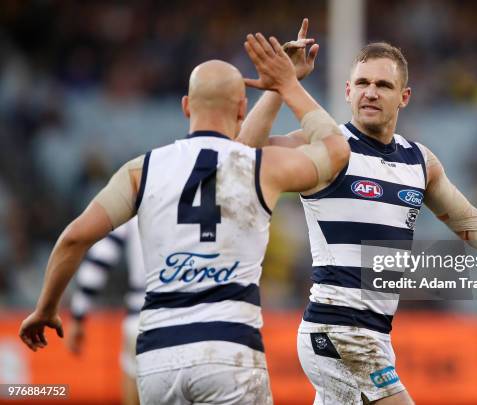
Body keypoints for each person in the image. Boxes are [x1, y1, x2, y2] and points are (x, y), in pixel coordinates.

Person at [238, 38, 477, 404]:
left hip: (375, 335)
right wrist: (279, 85)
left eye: (383, 85)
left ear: (404, 96)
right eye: (363, 84)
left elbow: (472, 224)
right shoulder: (325, 147)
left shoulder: (419, 161)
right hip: (339, 331)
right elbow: (242, 154)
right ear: (348, 92)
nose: (371, 93)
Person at [18, 32, 350, 405]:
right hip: (230, 352)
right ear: (241, 109)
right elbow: (337, 152)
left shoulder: (140, 171)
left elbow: (74, 238)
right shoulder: (260, 168)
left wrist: (45, 308)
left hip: (159, 355)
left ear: (186, 106)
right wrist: (286, 86)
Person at [67, 217, 144, 405]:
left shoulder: (137, 195)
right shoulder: (218, 193)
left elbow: (100, 259)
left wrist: (78, 315)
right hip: (206, 317)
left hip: (143, 315)